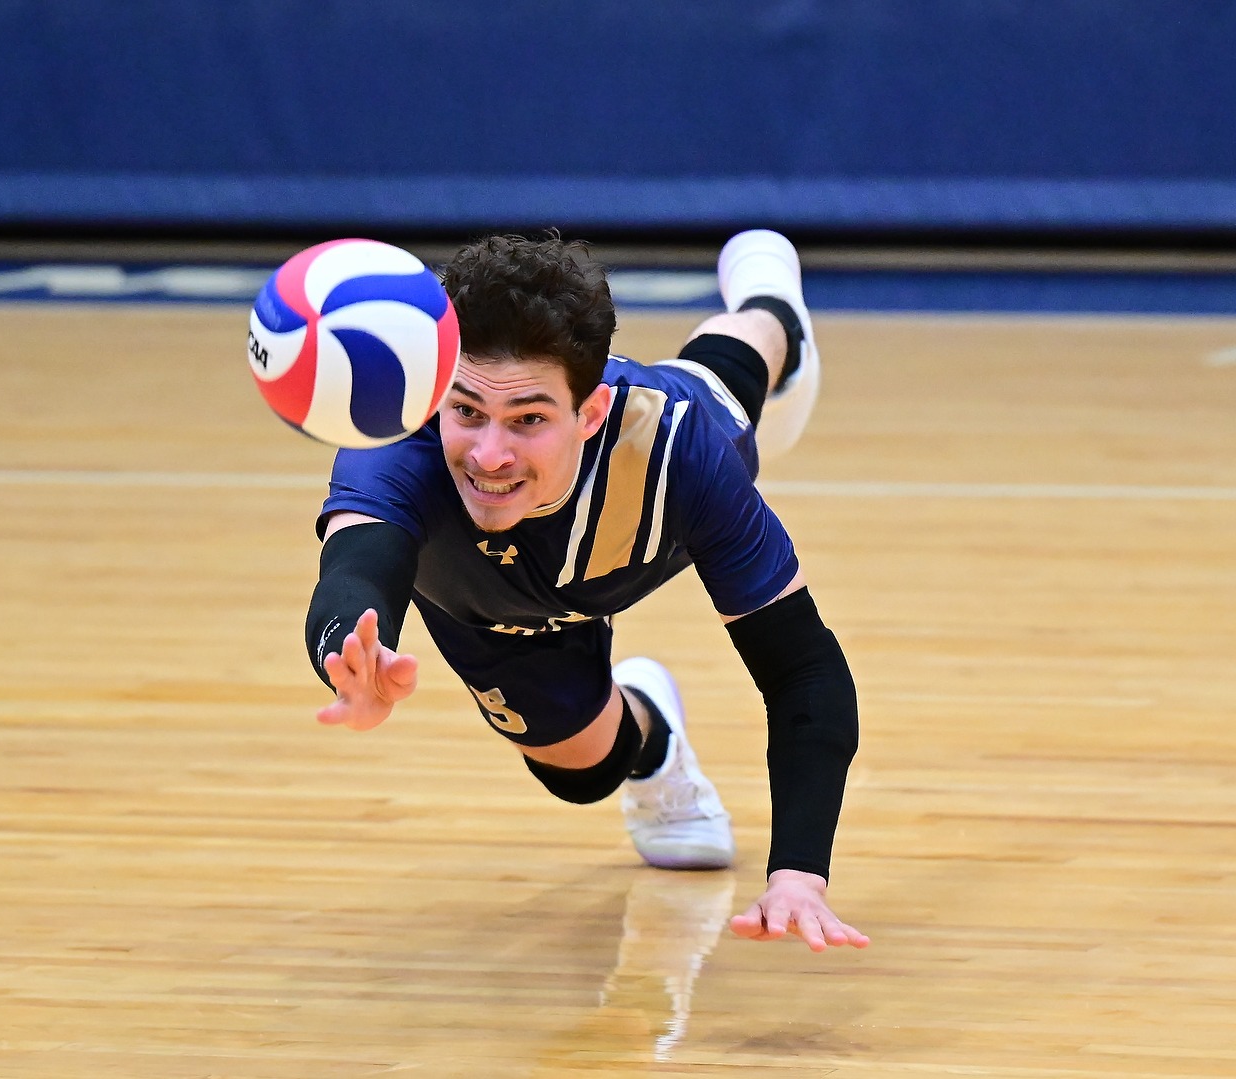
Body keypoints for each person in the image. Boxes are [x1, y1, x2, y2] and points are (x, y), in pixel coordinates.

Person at [304, 230, 868, 952]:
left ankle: (767, 302)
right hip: (491, 611)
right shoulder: (397, 433)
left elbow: (801, 668)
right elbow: (354, 567)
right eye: (467, 409)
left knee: (731, 381)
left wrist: (798, 871)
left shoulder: (677, 450)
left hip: (647, 510)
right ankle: (654, 736)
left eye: (528, 419)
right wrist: (349, 651)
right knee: (581, 774)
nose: (488, 454)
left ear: (591, 412)